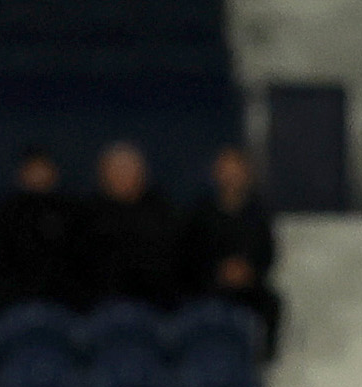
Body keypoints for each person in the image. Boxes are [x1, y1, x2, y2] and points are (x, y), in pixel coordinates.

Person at [185, 144, 280, 351]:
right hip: (207, 286)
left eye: (236, 170)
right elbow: (190, 253)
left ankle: (262, 359)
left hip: (248, 286)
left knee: (271, 304)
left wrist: (248, 271)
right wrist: (218, 272)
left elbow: (267, 253)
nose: (231, 176)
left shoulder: (258, 214)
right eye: (226, 169)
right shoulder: (200, 212)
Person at [80, 139, 187, 309]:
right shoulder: (88, 216)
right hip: (102, 307)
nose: (123, 176)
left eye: (128, 170)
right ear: (103, 175)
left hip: (156, 306)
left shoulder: (162, 212)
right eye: (116, 170)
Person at [0, 147, 86, 313]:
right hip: (16, 302)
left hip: (62, 302)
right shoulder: (6, 213)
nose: (38, 175)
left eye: (42, 169)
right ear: (21, 173)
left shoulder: (71, 211)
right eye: (33, 170)